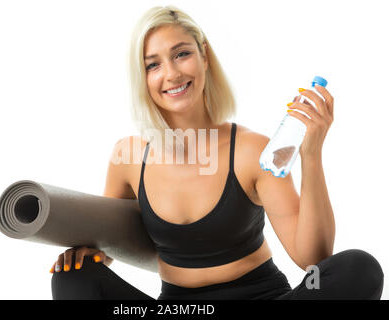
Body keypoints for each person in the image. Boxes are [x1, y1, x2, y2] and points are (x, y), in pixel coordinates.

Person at [49, 5, 384, 300]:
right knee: (71, 280)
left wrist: (311, 157)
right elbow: (109, 246)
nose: (172, 73)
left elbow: (313, 259)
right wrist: (86, 256)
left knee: (359, 268)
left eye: (182, 54)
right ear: (143, 77)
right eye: (153, 65)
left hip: (263, 296)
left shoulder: (252, 150)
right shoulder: (129, 157)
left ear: (204, 57)